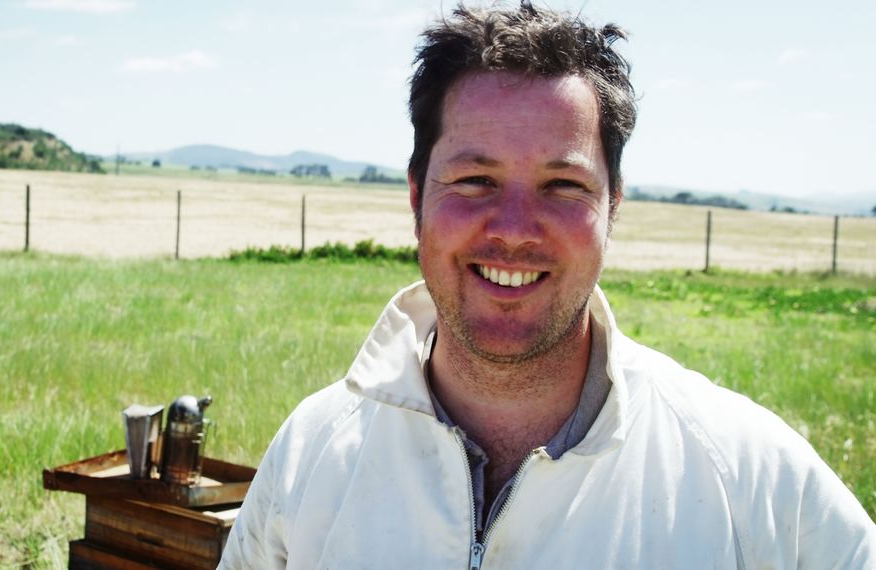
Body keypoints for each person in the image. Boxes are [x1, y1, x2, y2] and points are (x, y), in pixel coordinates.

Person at [219, 3, 876, 568]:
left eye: (564, 186)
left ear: (612, 208)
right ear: (417, 195)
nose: (513, 230)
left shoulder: (754, 481)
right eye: (475, 180)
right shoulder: (312, 452)